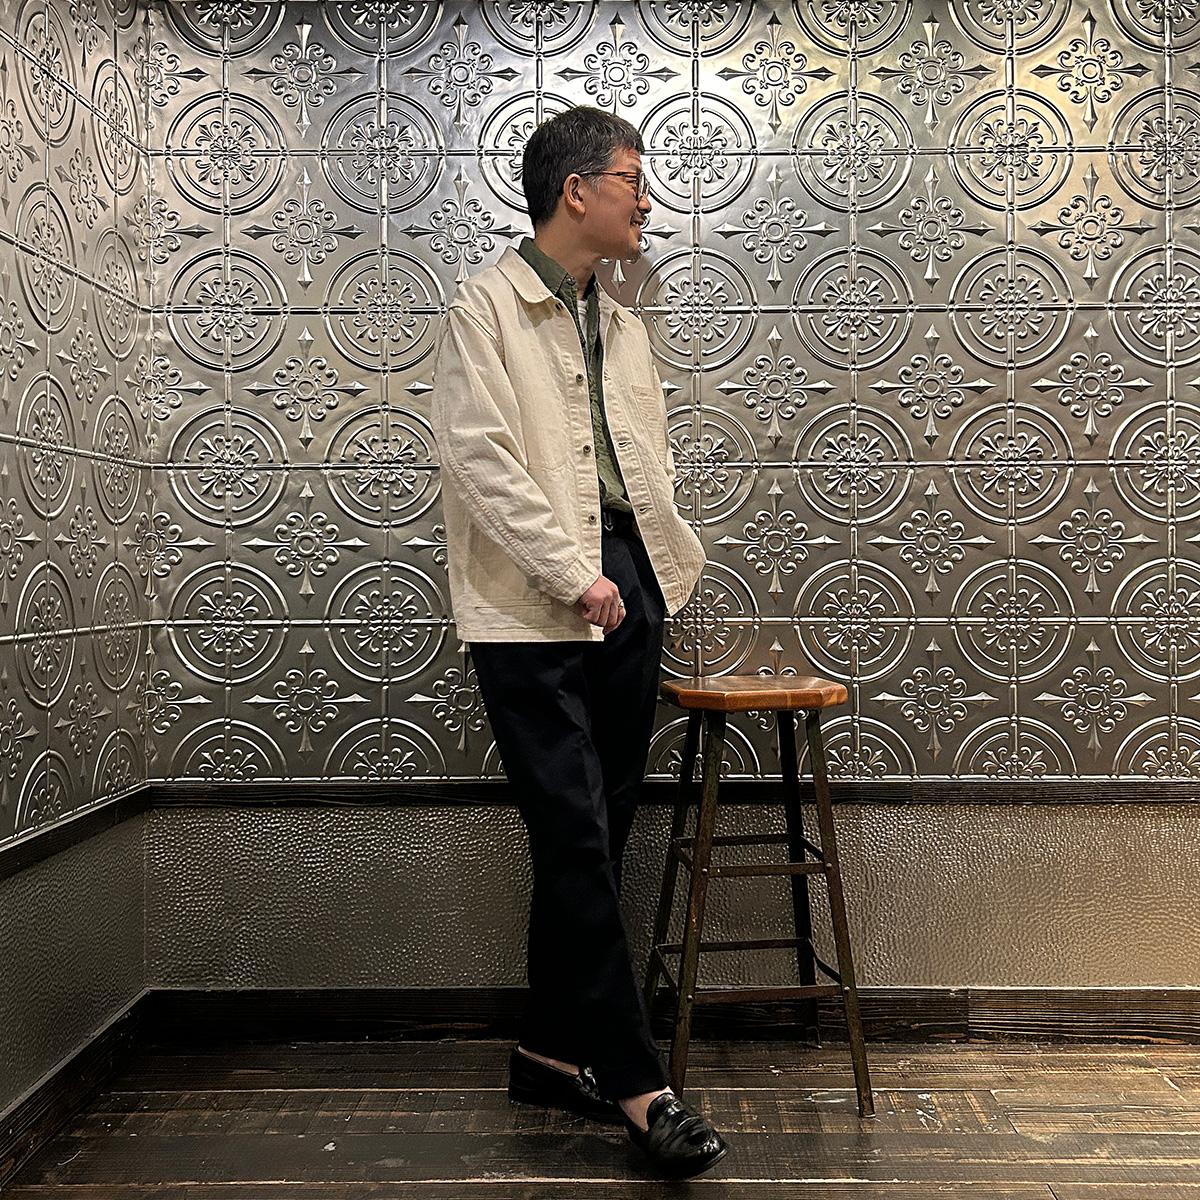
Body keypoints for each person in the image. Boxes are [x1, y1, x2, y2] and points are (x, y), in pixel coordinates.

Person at [430, 106, 726, 1177]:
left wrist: (647, 574)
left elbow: (644, 460)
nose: (648, 200)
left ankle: (550, 1055)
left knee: (602, 828)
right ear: (577, 191)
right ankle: (642, 1087)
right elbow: (480, 459)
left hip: (629, 586)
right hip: (531, 604)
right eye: (634, 179)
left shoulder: (625, 323)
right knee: (573, 837)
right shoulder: (484, 308)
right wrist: (574, 574)